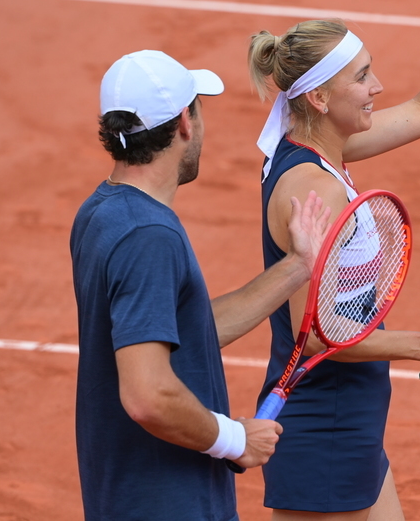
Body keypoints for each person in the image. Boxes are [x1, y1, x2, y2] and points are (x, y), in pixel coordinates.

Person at [246, 0, 420, 520]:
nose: (378, 86)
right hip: (325, 422)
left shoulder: (314, 147)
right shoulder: (314, 188)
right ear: (318, 97)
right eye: (362, 77)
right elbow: (314, 336)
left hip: (350, 414)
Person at [70, 49, 330, 521]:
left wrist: (298, 267)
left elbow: (184, 330)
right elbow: (147, 394)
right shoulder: (149, 236)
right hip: (168, 503)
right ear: (184, 123)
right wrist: (234, 439)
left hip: (128, 494)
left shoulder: (102, 212)